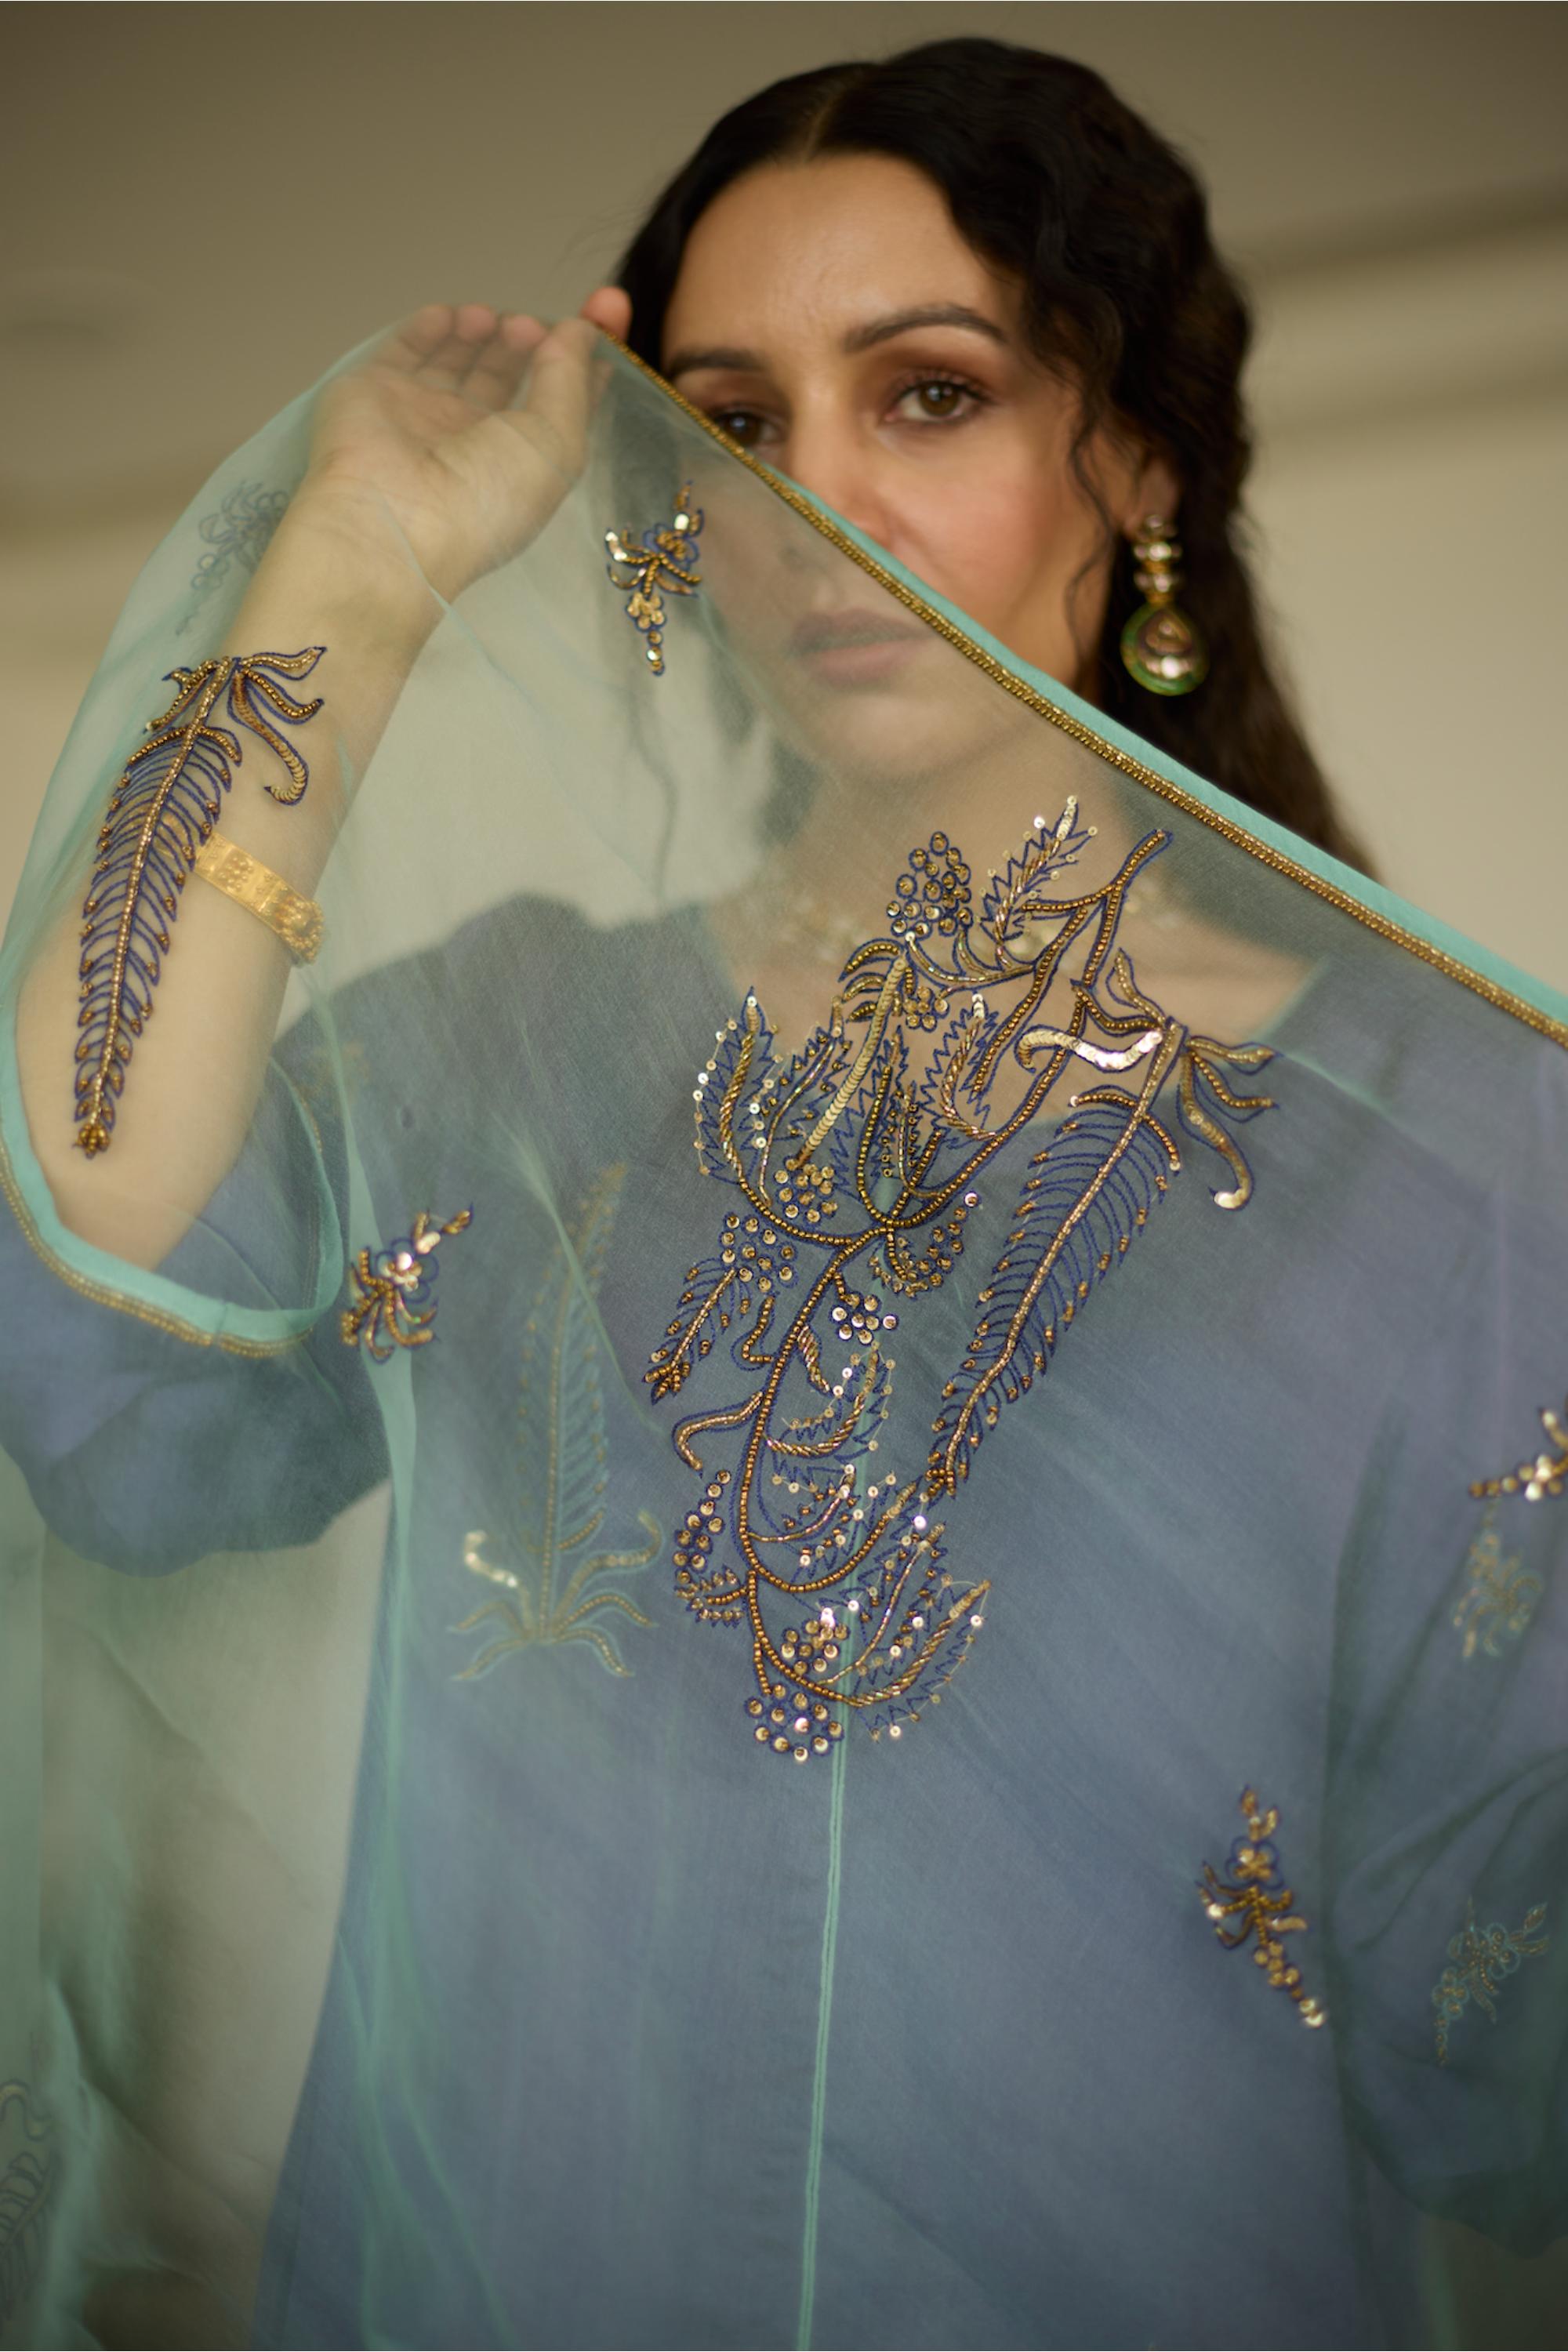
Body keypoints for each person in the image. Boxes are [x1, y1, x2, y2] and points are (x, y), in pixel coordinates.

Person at [1, 38, 1563, 2352]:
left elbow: (1494, 1995)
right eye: (733, 424)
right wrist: (362, 567)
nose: (817, 497)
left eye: (928, 395)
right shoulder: (507, 1052)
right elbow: (94, 1325)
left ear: (1132, 456)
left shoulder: (1452, 1141)